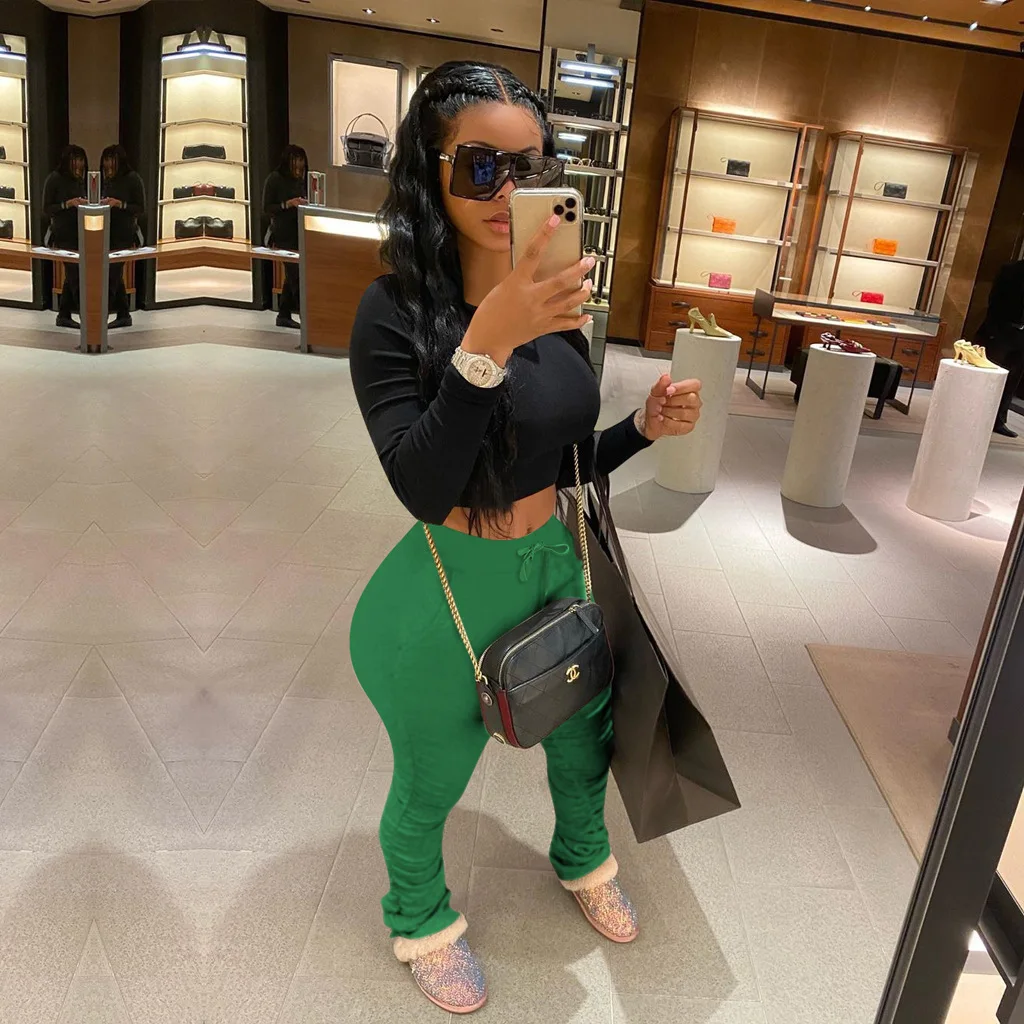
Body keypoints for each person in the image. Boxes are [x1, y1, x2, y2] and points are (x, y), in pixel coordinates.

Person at [348, 61, 703, 1015]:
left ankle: (584, 858)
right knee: (434, 776)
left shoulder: (555, 304)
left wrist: (642, 429)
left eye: (532, 166)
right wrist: (485, 345)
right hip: (449, 590)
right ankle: (419, 916)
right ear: (429, 170)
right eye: (481, 166)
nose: (510, 191)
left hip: (554, 564)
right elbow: (421, 487)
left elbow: (559, 455)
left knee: (584, 738)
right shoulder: (394, 313)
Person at [99, 144, 146, 329]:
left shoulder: (133, 178)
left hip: (124, 234)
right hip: (106, 232)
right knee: (114, 274)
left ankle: (102, 316)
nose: (107, 163)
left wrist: (120, 204)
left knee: (112, 274)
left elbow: (140, 208)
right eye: (105, 160)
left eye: (110, 159)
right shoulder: (107, 180)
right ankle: (123, 314)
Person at [976, 257, 1024, 437]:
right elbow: (994, 300)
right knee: (991, 375)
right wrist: (993, 330)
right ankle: (978, 415)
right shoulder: (1010, 270)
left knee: (1012, 379)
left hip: (1022, 335)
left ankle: (999, 420)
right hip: (1002, 331)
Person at [41, 144, 87, 329]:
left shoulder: (78, 180)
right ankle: (87, 318)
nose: (80, 164)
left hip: (80, 233)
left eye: (82, 160)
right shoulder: (54, 179)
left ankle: (64, 314)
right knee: (75, 276)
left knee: (73, 274)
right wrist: (67, 204)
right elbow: (47, 208)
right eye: (77, 159)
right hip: (63, 234)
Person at [261, 144, 307, 329]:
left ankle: (284, 314)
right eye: (296, 160)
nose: (300, 165)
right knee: (296, 277)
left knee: (293, 274)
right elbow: (266, 208)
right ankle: (307, 320)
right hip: (282, 235)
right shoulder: (274, 179)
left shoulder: (300, 180)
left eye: (302, 160)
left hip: (298, 233)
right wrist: (288, 204)